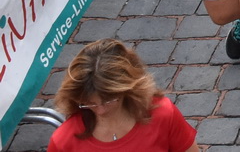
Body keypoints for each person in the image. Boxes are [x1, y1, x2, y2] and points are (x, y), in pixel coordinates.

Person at [48, 40, 198, 152]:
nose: (100, 110)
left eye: (108, 100)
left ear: (127, 89)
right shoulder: (64, 141)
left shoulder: (162, 114)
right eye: (89, 103)